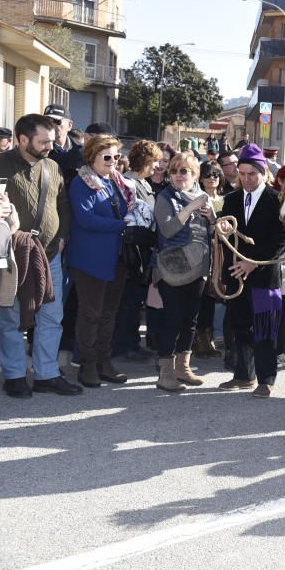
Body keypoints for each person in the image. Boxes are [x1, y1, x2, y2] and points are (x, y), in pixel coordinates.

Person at [0, 114, 80, 398]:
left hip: (50, 253)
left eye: (52, 141)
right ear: (23, 139)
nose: (49, 147)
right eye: (43, 142)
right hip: (12, 255)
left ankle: (47, 374)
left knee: (52, 316)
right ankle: (15, 375)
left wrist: (63, 236)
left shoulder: (53, 166)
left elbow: (63, 205)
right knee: (11, 316)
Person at [217, 144, 285, 397]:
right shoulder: (232, 199)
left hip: (262, 275)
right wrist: (223, 231)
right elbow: (225, 234)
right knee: (239, 326)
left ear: (263, 172)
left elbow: (281, 238)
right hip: (236, 273)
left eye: (252, 174)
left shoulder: (276, 199)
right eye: (243, 173)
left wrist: (253, 262)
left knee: (264, 328)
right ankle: (243, 375)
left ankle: (266, 379)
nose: (246, 179)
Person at [67, 134, 135, 387]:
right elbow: (85, 219)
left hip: (116, 257)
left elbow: (127, 210)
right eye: (107, 156)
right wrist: (122, 225)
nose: (113, 161)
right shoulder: (81, 182)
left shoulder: (116, 181)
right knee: (91, 314)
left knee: (109, 313)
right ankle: (86, 365)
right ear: (91, 156)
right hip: (90, 259)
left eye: (117, 156)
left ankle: (103, 361)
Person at [153, 152, 215, 391]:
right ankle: (165, 373)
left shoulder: (203, 197)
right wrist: (191, 207)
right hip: (172, 268)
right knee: (173, 319)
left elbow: (212, 233)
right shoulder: (165, 197)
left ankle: (183, 367)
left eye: (184, 171)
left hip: (198, 267)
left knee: (190, 320)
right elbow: (167, 230)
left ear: (194, 175)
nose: (179, 176)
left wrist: (213, 219)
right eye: (175, 171)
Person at [112, 140, 163, 359]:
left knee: (134, 300)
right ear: (144, 161)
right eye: (154, 162)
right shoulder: (129, 184)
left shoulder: (143, 184)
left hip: (142, 249)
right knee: (128, 300)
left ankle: (130, 343)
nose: (157, 167)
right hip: (132, 251)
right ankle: (125, 346)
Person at [192, 160, 226, 359]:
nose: (212, 178)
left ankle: (209, 340)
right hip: (203, 252)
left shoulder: (226, 199)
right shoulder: (198, 199)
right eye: (207, 174)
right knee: (202, 297)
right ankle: (199, 342)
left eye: (215, 174)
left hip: (221, 253)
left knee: (215, 296)